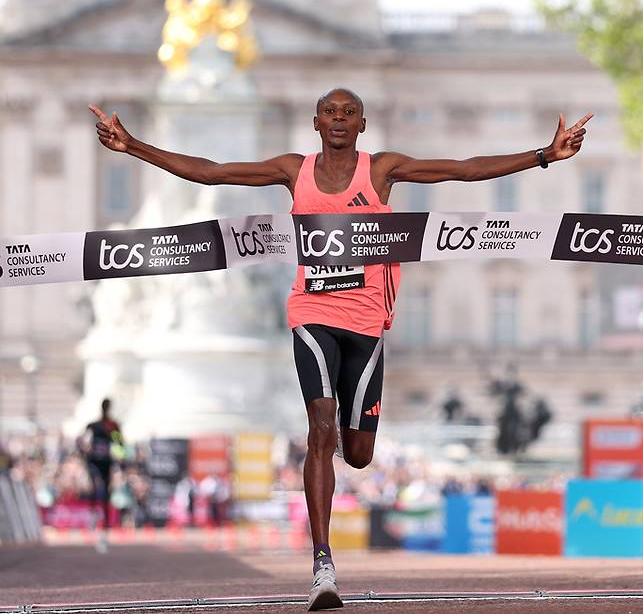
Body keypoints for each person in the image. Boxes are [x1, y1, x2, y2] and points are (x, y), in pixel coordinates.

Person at [89, 90, 591, 610]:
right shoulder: (293, 170)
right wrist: (133, 147)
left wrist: (543, 155)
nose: (338, 120)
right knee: (320, 427)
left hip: (368, 323)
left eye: (348, 113)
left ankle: (341, 480)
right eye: (329, 112)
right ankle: (322, 563)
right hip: (311, 312)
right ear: (315, 122)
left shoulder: (381, 171)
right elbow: (213, 172)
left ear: (362, 124)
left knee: (358, 453)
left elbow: (462, 169)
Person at [79, 397, 124, 552]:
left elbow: (120, 444)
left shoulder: (113, 426)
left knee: (105, 494)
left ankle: (103, 529)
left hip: (106, 463)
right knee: (96, 487)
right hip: (94, 462)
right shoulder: (94, 425)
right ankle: (93, 516)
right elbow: (83, 441)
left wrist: (118, 456)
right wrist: (86, 450)